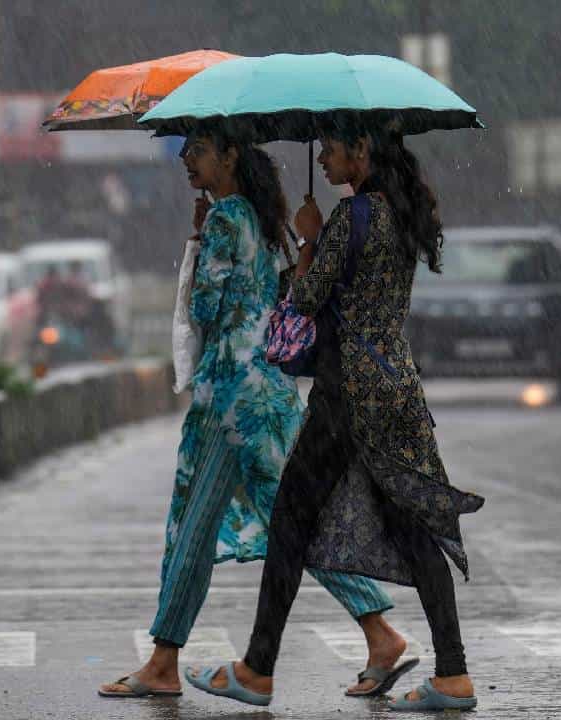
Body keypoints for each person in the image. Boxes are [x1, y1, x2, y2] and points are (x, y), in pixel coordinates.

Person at [183, 118, 484, 712]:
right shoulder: (402, 214)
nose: (323, 161)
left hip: (345, 396)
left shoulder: (353, 217)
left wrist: (309, 240)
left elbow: (303, 299)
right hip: (395, 388)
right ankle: (452, 673)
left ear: (361, 149)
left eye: (332, 149)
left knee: (290, 523)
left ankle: (258, 669)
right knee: (410, 529)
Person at [99, 129, 402, 699]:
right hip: (266, 388)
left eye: (198, 150)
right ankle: (166, 659)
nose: (186, 160)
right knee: (243, 523)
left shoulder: (223, 218)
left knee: (216, 525)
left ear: (230, 156)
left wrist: (197, 241)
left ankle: (378, 632)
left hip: (230, 398)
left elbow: (205, 307)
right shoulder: (265, 219)